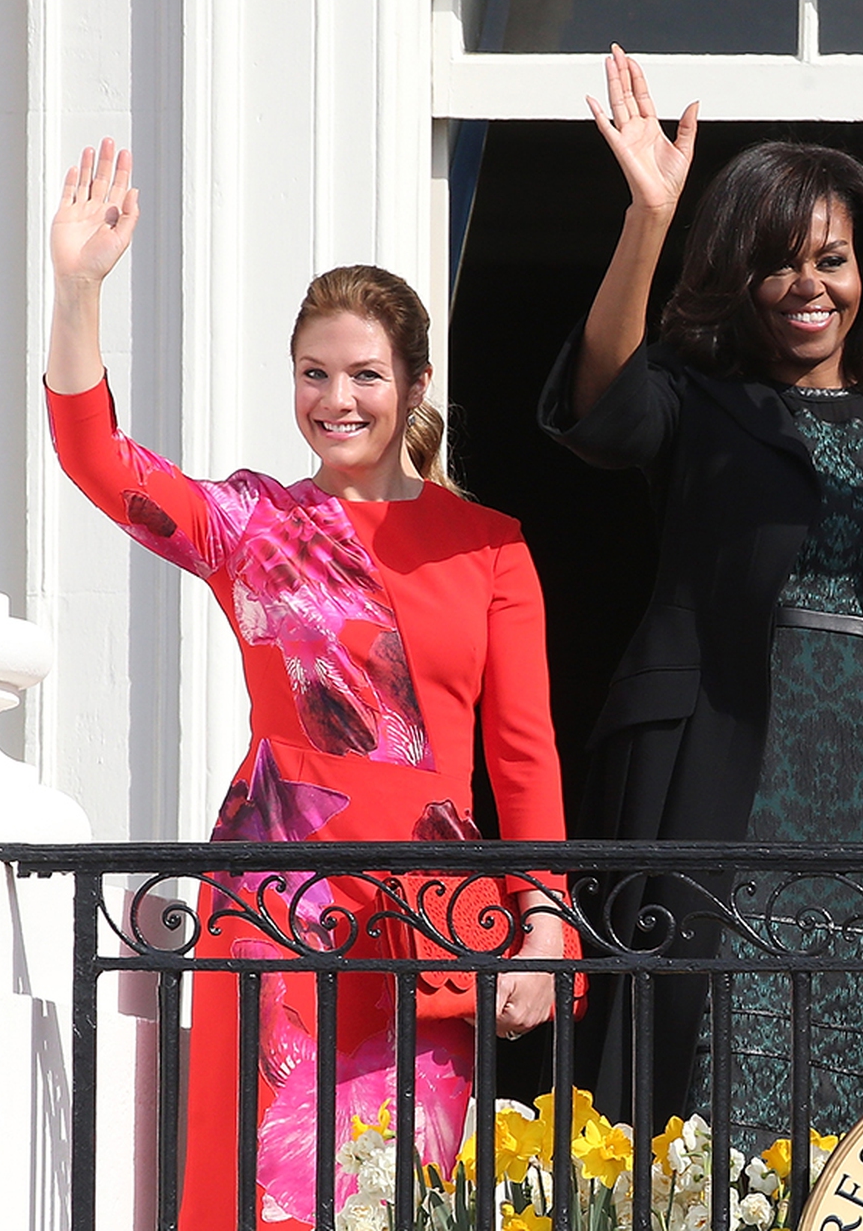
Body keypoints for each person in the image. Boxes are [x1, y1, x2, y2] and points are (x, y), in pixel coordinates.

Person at [45, 140, 568, 1227]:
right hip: (279, 909)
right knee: (268, 1199)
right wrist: (78, 290)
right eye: (315, 374)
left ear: (417, 385)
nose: (338, 399)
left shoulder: (490, 548)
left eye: (366, 374)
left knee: (401, 1195)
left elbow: (524, 758)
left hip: (433, 919)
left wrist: (546, 922)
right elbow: (102, 463)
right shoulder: (252, 528)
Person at [537, 49, 863, 1149]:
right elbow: (602, 406)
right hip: (720, 789)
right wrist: (649, 216)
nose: (809, 286)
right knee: (701, 1095)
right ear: (741, 283)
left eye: (833, 260)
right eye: (779, 265)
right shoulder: (700, 404)